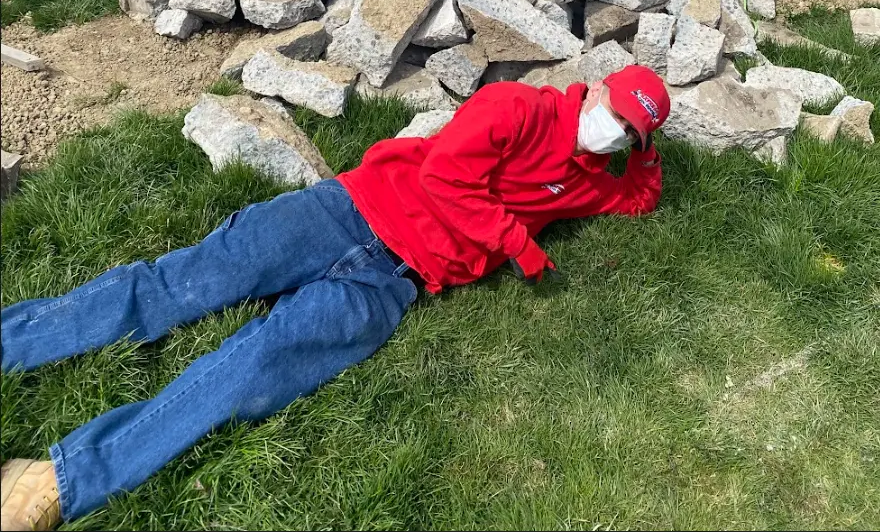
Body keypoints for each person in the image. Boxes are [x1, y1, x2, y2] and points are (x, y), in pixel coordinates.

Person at [0, 65, 670, 530]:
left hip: (391, 282)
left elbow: (641, 198)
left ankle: (58, 479)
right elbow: (444, 176)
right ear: (596, 90)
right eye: (615, 116)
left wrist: (646, 152)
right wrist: (515, 241)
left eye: (628, 134)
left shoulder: (593, 179)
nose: (613, 134)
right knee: (183, 284)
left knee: (257, 369)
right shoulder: (518, 106)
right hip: (348, 209)